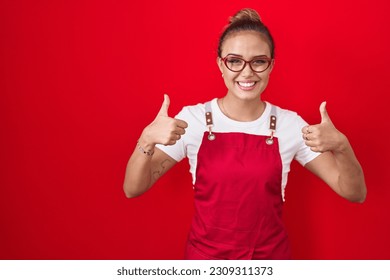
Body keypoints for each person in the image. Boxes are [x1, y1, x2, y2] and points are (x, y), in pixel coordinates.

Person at [123, 8, 366, 260]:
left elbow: (354, 192)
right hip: (206, 262)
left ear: (271, 65)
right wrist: (146, 139)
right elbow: (133, 188)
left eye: (259, 61)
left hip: (269, 262)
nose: (247, 72)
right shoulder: (192, 120)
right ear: (221, 64)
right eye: (235, 61)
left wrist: (342, 146)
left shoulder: (290, 125)